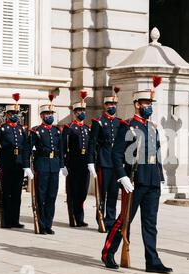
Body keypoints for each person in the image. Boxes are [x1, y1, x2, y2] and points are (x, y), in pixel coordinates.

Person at [101, 81, 173, 274]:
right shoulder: (128, 127)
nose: (149, 107)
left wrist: (160, 178)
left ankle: (152, 261)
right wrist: (122, 177)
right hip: (134, 180)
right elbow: (117, 155)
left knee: (150, 224)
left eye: (151, 104)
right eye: (146, 104)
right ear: (137, 104)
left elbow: (156, 154)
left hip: (152, 180)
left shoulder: (152, 127)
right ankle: (108, 252)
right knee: (124, 220)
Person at [23, 95, 68, 235]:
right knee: (41, 196)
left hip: (54, 166)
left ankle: (48, 224)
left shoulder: (56, 131)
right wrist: (27, 167)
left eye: (51, 114)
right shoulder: (36, 131)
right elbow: (27, 150)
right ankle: (41, 224)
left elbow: (60, 149)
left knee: (51, 196)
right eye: (47, 114)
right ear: (42, 115)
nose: (50, 116)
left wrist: (62, 165)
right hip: (41, 165)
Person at [0, 93, 30, 229]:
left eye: (16, 112)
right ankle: (5, 221)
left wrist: (26, 165)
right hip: (6, 164)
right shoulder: (1, 129)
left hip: (18, 165)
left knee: (17, 194)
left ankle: (14, 220)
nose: (14, 115)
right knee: (6, 193)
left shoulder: (21, 129)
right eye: (12, 113)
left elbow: (25, 147)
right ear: (7, 114)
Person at [87, 88, 121, 232]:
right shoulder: (98, 122)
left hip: (116, 163)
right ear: (104, 106)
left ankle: (110, 221)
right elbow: (92, 143)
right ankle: (100, 218)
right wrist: (91, 162)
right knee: (102, 194)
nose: (111, 107)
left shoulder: (119, 122)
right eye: (109, 105)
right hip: (104, 160)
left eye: (113, 105)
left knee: (113, 194)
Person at [63, 91, 91, 228]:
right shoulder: (69, 128)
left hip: (85, 163)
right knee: (72, 192)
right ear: (74, 113)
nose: (81, 113)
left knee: (83, 192)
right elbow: (63, 146)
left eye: (83, 110)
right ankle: (73, 218)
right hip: (73, 163)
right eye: (79, 111)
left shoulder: (87, 128)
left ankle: (80, 217)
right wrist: (63, 164)